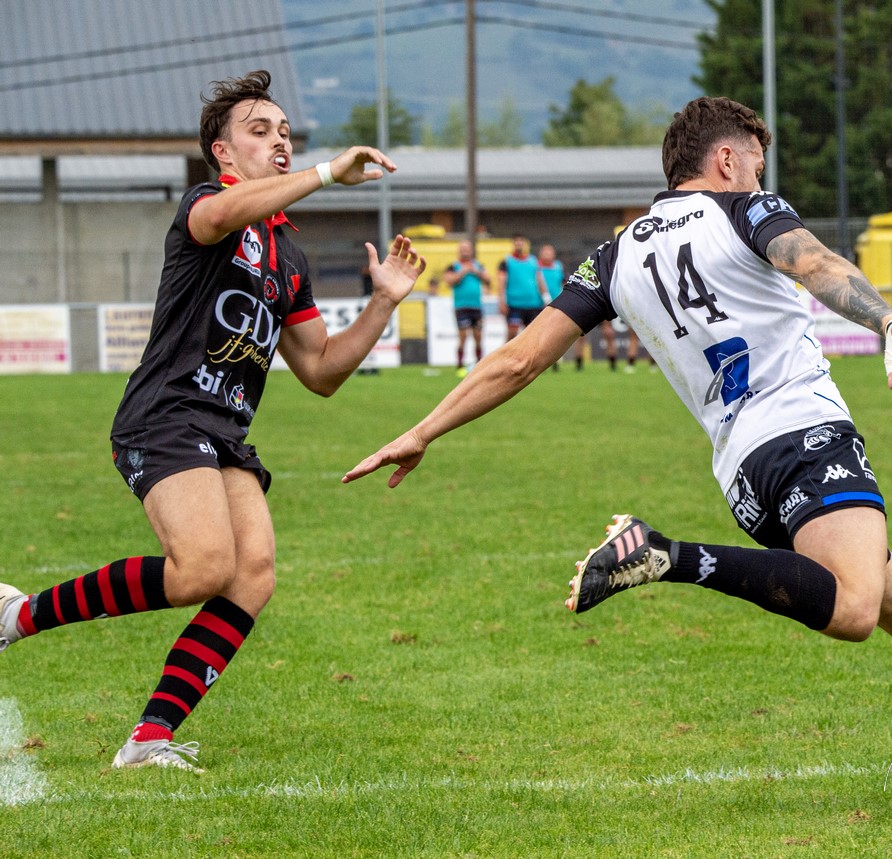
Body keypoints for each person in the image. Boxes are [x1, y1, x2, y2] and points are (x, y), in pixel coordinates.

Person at [343, 97, 892, 802]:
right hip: (805, 434)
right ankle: (667, 555)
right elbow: (815, 263)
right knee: (856, 608)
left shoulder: (614, 255)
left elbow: (519, 359)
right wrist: (884, 318)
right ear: (725, 159)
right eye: (756, 162)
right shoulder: (743, 208)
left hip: (743, 473)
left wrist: (423, 428)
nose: (761, 176)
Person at [0, 70, 426, 773]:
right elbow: (226, 215)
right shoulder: (206, 204)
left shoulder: (289, 255)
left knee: (251, 575)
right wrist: (326, 172)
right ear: (223, 153)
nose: (279, 141)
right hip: (165, 414)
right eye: (259, 131)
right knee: (201, 568)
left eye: (285, 132)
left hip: (224, 431)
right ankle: (18, 616)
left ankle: (148, 739)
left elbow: (320, 370)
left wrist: (382, 303)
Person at [442, 239, 491, 377]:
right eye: (463, 249)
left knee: (478, 337)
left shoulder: (478, 266)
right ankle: (460, 365)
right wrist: (463, 271)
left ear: (471, 251)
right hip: (461, 307)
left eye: (467, 249)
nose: (465, 251)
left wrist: (475, 271)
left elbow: (488, 279)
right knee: (463, 336)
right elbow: (449, 281)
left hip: (476, 306)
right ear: (459, 251)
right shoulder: (453, 266)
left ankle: (479, 365)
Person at [496, 234, 547, 341]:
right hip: (515, 304)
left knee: (532, 335)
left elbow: (540, 280)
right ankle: (508, 352)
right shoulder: (506, 261)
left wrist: (546, 298)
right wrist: (501, 301)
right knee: (512, 333)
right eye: (517, 242)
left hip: (533, 303)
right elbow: (501, 282)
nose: (519, 244)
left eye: (521, 242)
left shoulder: (533, 260)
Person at [536, 243, 567, 370]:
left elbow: (564, 282)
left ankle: (555, 359)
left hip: (557, 304)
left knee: (555, 333)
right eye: (545, 251)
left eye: (550, 251)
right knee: (540, 333)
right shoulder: (536, 267)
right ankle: (538, 360)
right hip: (539, 304)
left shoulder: (558, 266)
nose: (548, 254)